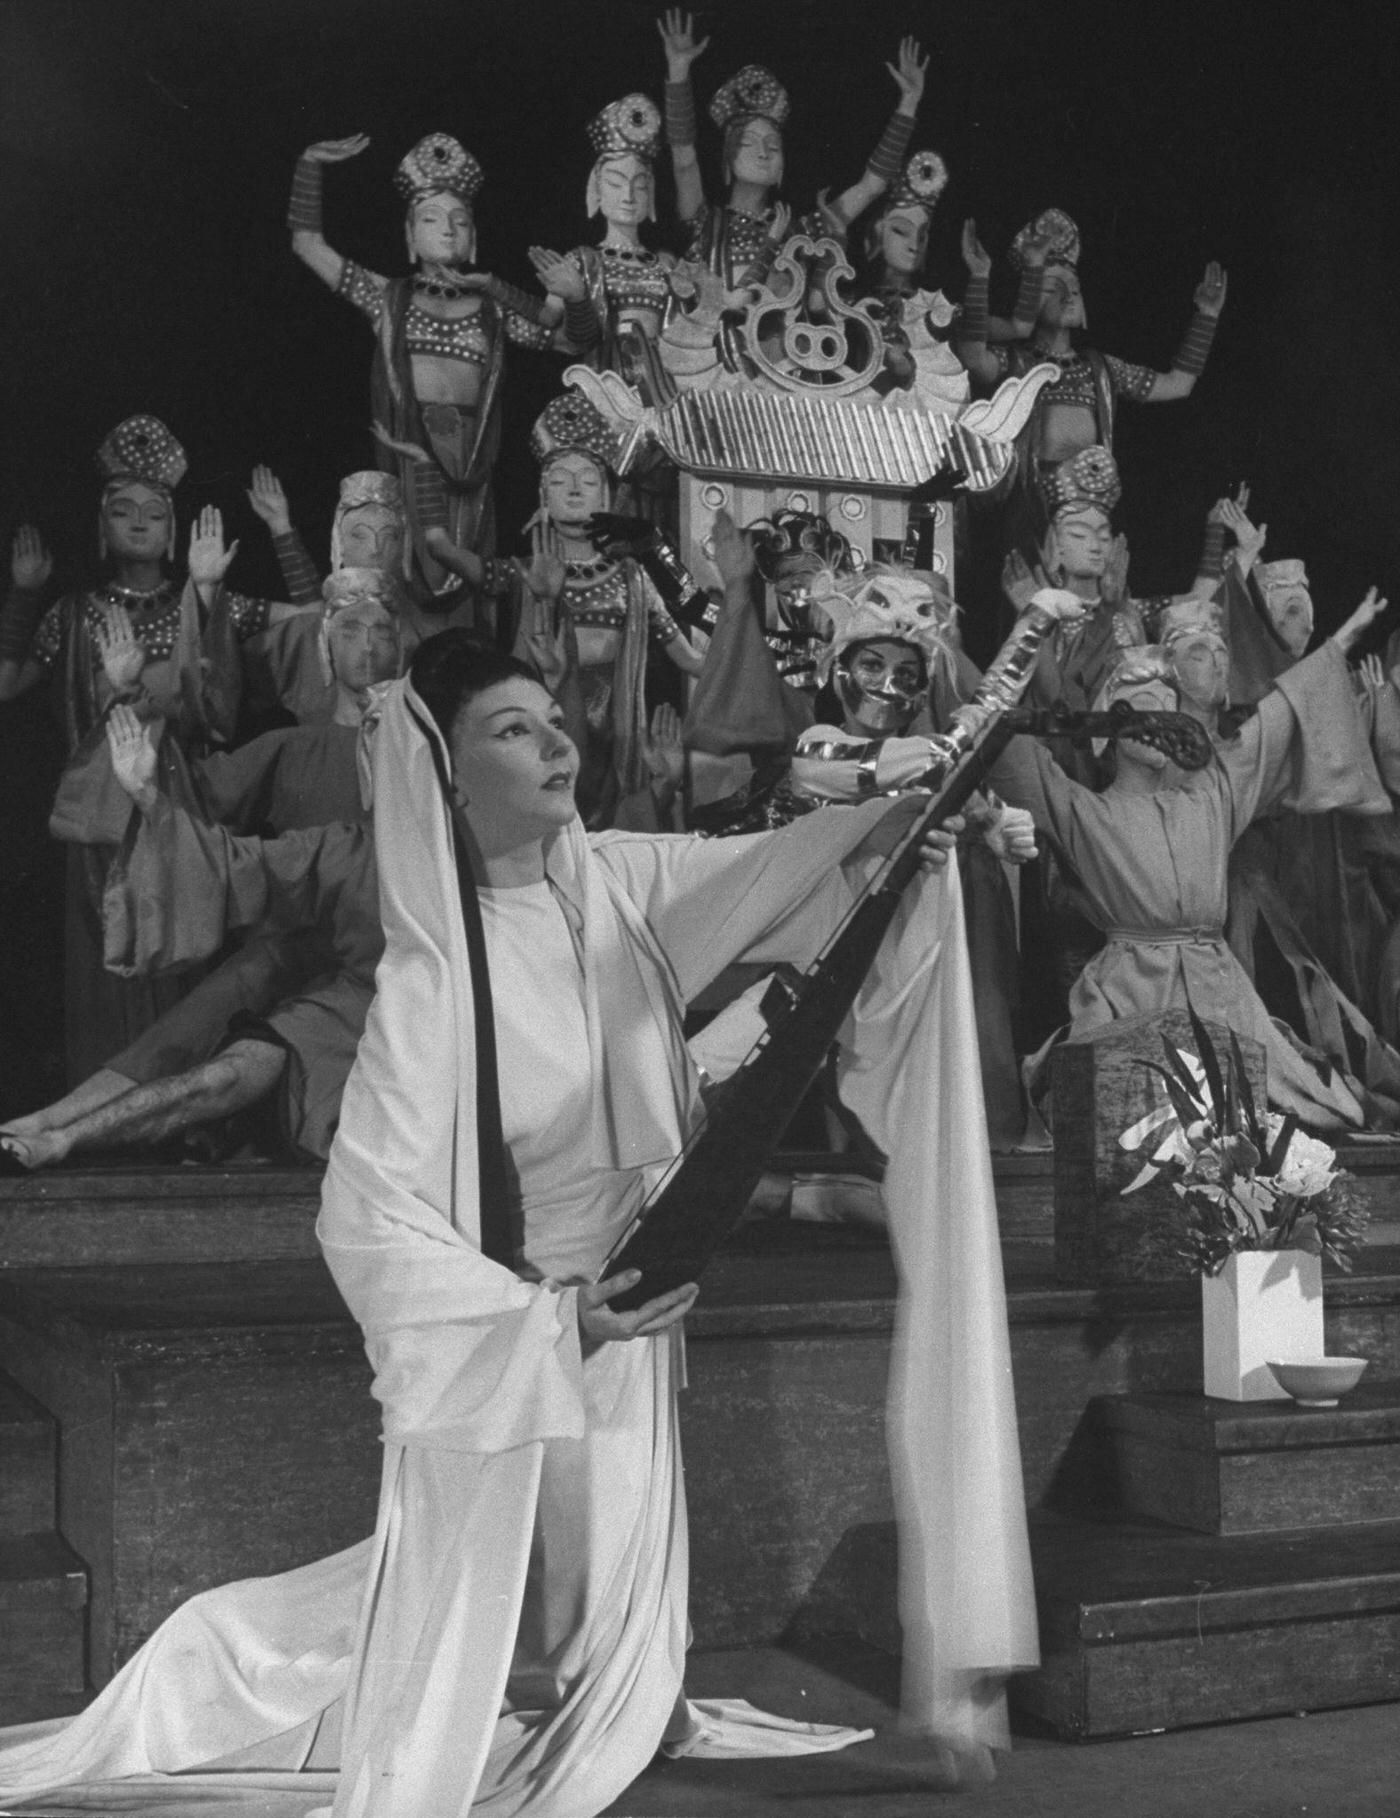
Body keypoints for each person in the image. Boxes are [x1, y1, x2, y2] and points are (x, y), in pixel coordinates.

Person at [0, 632, 1036, 1810]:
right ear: (442, 774)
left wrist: (899, 840)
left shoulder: (611, 881)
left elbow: (777, 868)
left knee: (613, 1664)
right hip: (520, 1335)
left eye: (555, 721)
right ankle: (231, 1675)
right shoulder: (431, 982)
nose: (556, 743)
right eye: (512, 728)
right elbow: (367, 1221)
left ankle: (607, 1690)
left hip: (633, 1311)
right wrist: (549, 1323)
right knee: (486, 1647)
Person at [0, 570, 403, 1171]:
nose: (368, 646)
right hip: (291, 939)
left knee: (240, 1076)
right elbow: (199, 804)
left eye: (381, 632)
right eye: (350, 630)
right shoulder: (292, 748)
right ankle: (50, 1122)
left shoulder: (425, 762)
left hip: (377, 963)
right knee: (188, 1027)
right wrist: (138, 741)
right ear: (324, 643)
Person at [985, 588, 1395, 1129]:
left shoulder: (1211, 797)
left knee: (1313, 1115)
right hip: (1130, 996)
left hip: (1221, 990)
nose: (1156, 722)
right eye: (1138, 710)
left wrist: (1340, 642)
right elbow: (992, 733)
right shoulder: (1079, 809)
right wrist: (1031, 625)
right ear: (1106, 727)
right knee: (1140, 1123)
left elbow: (1274, 722)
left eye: (1167, 709)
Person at [0, 416, 304, 1083]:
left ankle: (183, 1112)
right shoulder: (76, 613)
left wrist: (273, 539)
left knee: (188, 940)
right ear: (100, 525)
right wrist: (25, 595)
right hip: (102, 815)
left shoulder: (204, 596)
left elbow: (319, 620)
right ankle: (106, 1106)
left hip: (185, 800)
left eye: (155, 513)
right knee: (110, 947)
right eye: (123, 511)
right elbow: (8, 682)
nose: (139, 523)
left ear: (174, 531)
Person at [287, 131, 568, 604]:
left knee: (467, 576)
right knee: (403, 571)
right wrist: (309, 166)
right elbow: (307, 244)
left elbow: (563, 340)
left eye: (460, 220)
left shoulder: (492, 310)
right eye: (431, 218)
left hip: (470, 457)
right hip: (408, 448)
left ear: (474, 236)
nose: (448, 229)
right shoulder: (387, 297)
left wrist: (568, 295)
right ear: (409, 233)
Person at [957, 207, 1227, 558]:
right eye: (1053, 289)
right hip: (1034, 506)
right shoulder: (1018, 363)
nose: (1067, 296)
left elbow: (1178, 384)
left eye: (1074, 289)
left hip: (1094, 507)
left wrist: (1206, 317)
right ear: (1030, 300)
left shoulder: (1100, 368)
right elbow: (974, 357)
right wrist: (979, 277)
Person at [658, 10, 928, 297]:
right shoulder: (706, 223)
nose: (763, 153)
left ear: (783, 166)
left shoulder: (798, 231)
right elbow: (684, 161)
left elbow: (871, 186)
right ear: (727, 158)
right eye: (748, 143)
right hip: (717, 341)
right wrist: (678, 73)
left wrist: (908, 104)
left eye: (773, 146)